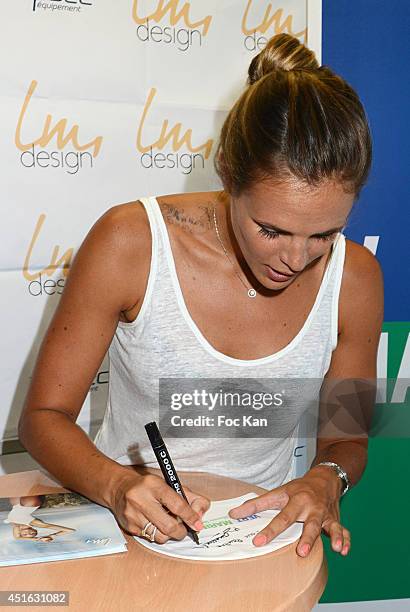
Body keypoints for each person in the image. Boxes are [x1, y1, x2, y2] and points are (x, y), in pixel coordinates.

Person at [18, 34, 383, 558]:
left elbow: (346, 438)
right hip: (122, 531)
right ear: (229, 176)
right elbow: (44, 416)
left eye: (324, 234)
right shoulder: (131, 243)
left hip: (256, 543)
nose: (297, 260)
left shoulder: (356, 278)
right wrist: (117, 484)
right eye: (272, 230)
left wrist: (328, 478)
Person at [4, 495, 76, 541]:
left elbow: (17, 537)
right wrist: (53, 535)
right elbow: (71, 530)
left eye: (25, 535)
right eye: (32, 534)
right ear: (34, 530)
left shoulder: (16, 526)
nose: (28, 533)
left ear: (20, 533)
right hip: (29, 504)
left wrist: (33, 539)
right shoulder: (33, 523)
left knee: (16, 481)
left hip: (16, 504)